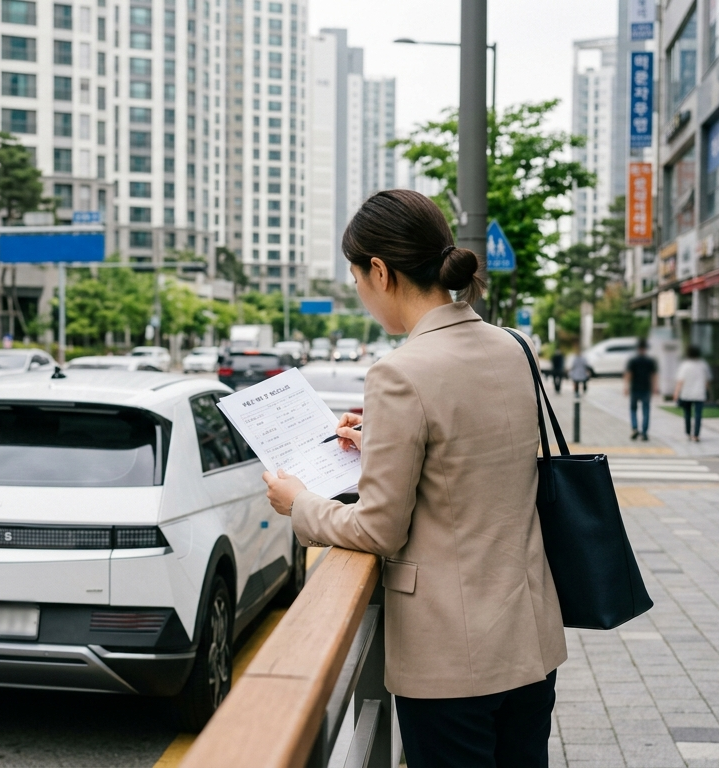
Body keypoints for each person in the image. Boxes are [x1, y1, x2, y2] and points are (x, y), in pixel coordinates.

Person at [262, 190, 565, 768]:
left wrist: (299, 502)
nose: (358, 289)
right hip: (530, 642)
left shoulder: (400, 372)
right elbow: (472, 456)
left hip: (453, 659)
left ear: (380, 270)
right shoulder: (513, 347)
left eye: (356, 276)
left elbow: (379, 529)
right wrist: (379, 440)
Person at [674, 345, 711, 442]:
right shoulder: (703, 365)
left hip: (686, 393)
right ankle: (696, 435)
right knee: (698, 414)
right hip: (699, 393)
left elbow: (680, 381)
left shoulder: (685, 365)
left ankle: (688, 433)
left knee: (687, 414)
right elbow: (707, 381)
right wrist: (708, 391)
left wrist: (676, 393)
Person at [623, 338, 658, 441]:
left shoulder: (633, 360)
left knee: (633, 409)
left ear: (638, 348)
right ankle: (644, 432)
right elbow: (654, 375)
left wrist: (626, 387)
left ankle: (634, 428)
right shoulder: (650, 361)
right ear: (645, 349)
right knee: (646, 410)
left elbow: (629, 374)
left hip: (635, 388)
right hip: (646, 388)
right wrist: (654, 387)